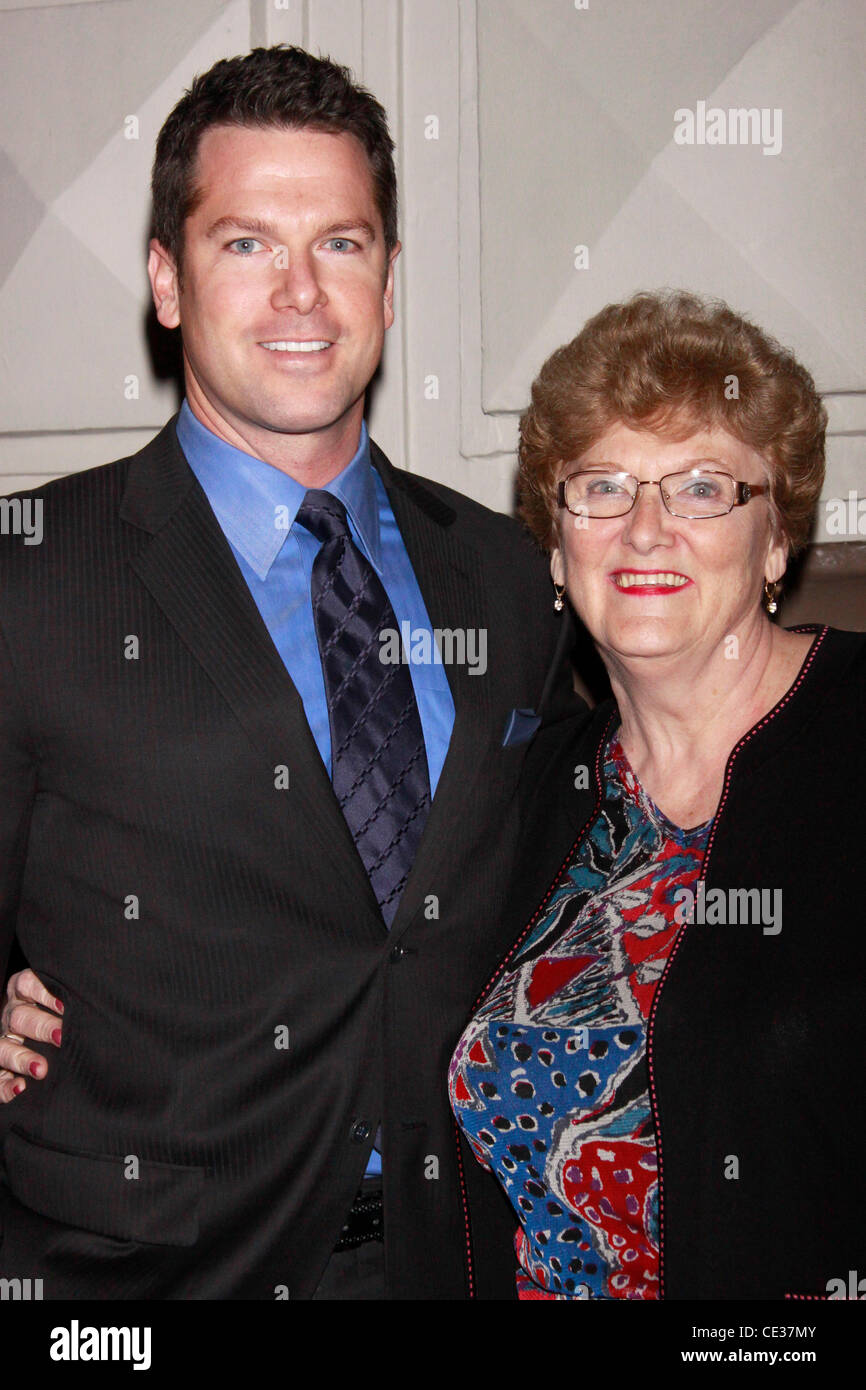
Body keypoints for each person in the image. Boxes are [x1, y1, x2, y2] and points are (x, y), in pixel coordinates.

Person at [0, 45, 577, 1300]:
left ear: (388, 278)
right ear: (165, 281)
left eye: (343, 243)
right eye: (247, 244)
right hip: (146, 1278)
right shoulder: (30, 576)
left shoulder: (505, 574)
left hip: (464, 1253)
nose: (301, 294)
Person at [449, 290, 866, 1300]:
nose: (643, 529)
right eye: (600, 487)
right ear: (556, 546)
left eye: (698, 488)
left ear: (776, 542)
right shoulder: (523, 784)